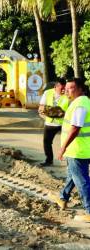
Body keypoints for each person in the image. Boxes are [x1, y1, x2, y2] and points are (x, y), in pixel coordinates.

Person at [50, 78, 90, 222]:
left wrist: (63, 148)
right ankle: (63, 198)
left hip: (77, 150)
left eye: (71, 88)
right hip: (82, 148)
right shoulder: (82, 102)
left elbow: (75, 128)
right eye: (66, 88)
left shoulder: (80, 104)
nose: (66, 90)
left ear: (80, 89)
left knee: (82, 181)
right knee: (73, 175)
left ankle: (89, 210)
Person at [38, 78, 68, 166]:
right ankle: (49, 160)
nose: (63, 90)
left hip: (64, 123)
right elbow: (41, 107)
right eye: (61, 88)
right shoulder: (48, 93)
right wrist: (47, 111)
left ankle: (70, 161)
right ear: (56, 86)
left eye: (64, 88)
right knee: (47, 142)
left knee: (68, 142)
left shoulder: (68, 94)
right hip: (50, 123)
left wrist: (63, 113)